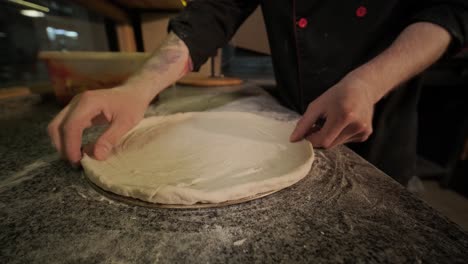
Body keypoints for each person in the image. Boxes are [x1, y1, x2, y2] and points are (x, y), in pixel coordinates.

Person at [48, 0, 468, 185]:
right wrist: (138, 87)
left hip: (382, 122)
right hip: (293, 124)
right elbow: (215, 10)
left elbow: (451, 10)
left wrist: (368, 82)